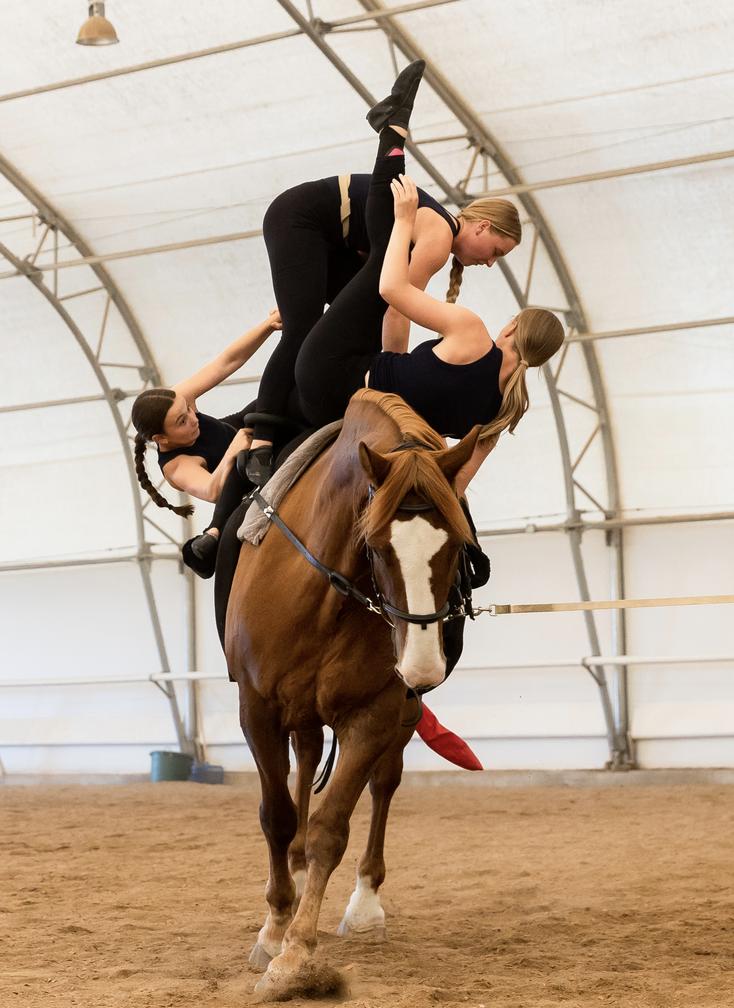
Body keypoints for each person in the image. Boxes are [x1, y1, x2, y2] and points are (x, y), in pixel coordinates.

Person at [285, 60, 564, 495]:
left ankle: (393, 135)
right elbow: (458, 486)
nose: (490, 263)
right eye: (494, 255)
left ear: (511, 326)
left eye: (497, 255)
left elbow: (392, 294)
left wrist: (401, 221)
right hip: (372, 412)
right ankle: (392, 131)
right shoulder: (506, 412)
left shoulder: (471, 330)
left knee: (380, 263)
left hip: (342, 380)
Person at [130, 311, 281, 577]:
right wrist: (234, 450)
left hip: (236, 427)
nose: (192, 417)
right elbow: (212, 491)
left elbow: (227, 361)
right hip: (237, 477)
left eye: (189, 408)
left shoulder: (178, 400)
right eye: (181, 421)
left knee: (280, 389)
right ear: (161, 439)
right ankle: (215, 530)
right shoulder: (176, 466)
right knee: (237, 468)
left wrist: (268, 325)